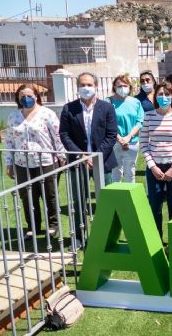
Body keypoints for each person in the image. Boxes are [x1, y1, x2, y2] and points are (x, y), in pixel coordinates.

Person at [59, 72, 118, 246]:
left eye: (89, 84)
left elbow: (111, 135)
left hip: (103, 162)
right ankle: (78, 237)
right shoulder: (69, 109)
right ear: (77, 87)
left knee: (106, 201)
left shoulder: (107, 108)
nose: (86, 88)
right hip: (78, 163)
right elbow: (64, 134)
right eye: (83, 85)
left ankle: (105, 237)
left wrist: (96, 156)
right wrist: (81, 155)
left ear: (96, 86)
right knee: (78, 201)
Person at [5, 83, 66, 239]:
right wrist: (9, 163)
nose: (26, 99)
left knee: (49, 195)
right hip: (22, 163)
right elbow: (9, 141)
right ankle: (33, 227)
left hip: (46, 161)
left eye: (29, 96)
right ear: (18, 99)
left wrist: (62, 156)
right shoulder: (13, 116)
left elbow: (57, 136)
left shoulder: (47, 114)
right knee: (27, 196)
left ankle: (53, 226)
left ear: (36, 96)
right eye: (22, 97)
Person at [140, 82, 172, 239]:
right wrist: (153, 167)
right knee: (154, 205)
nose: (163, 97)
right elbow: (143, 143)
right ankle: (157, 241)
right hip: (154, 167)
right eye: (160, 94)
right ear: (155, 96)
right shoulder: (148, 116)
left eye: (167, 94)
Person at [107, 75, 145, 183]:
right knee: (116, 172)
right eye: (119, 86)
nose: (122, 88)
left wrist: (128, 137)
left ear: (129, 86)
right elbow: (107, 122)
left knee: (130, 172)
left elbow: (139, 121)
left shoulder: (135, 102)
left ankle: (129, 198)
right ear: (114, 86)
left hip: (132, 142)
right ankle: (117, 197)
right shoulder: (108, 102)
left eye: (125, 85)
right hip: (114, 142)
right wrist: (119, 138)